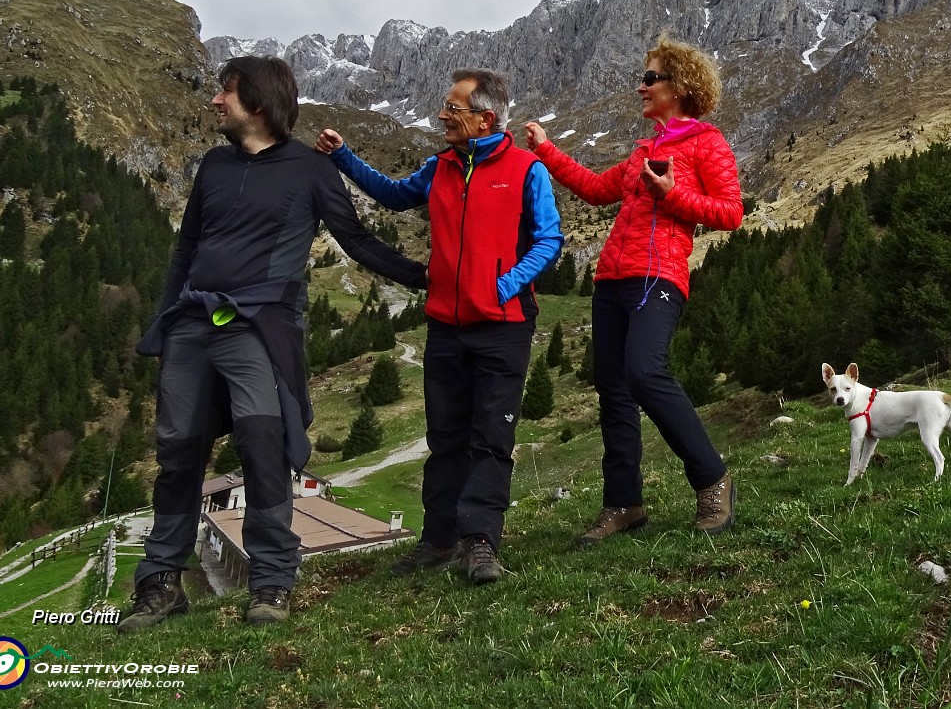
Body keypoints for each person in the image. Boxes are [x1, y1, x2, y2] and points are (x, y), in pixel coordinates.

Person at [119, 56, 428, 633]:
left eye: (226, 93)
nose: (216, 101)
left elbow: (356, 240)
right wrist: (164, 321)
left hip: (260, 327)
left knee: (264, 447)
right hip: (193, 324)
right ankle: (161, 581)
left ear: (257, 102)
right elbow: (186, 251)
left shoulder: (311, 170)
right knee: (177, 451)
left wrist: (427, 277)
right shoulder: (213, 165)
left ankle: (271, 580)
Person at [315, 68, 562, 584]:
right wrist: (343, 157)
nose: (443, 116)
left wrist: (502, 285)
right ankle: (439, 538)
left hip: (504, 323)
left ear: (485, 118)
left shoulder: (525, 169)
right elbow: (393, 194)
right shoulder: (441, 166)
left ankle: (481, 542)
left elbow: (549, 240)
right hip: (446, 327)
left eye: (453, 108)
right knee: (445, 435)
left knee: (491, 437)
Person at [524, 34, 744, 546]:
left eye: (650, 78)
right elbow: (597, 189)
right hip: (611, 280)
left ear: (680, 86)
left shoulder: (706, 143)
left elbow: (731, 212)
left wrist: (673, 193)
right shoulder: (643, 150)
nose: (640, 86)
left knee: (645, 372)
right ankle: (623, 503)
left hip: (660, 276)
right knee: (613, 391)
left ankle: (712, 478)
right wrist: (545, 150)